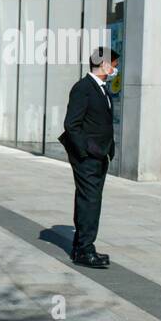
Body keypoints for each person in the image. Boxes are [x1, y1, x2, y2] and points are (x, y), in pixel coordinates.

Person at [59, 47, 119, 269]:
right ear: (103, 65)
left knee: (89, 201)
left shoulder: (102, 89)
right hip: (88, 157)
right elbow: (71, 124)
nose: (115, 68)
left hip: (100, 155)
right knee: (90, 201)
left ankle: (80, 246)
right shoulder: (83, 88)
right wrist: (85, 152)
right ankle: (86, 250)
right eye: (113, 64)